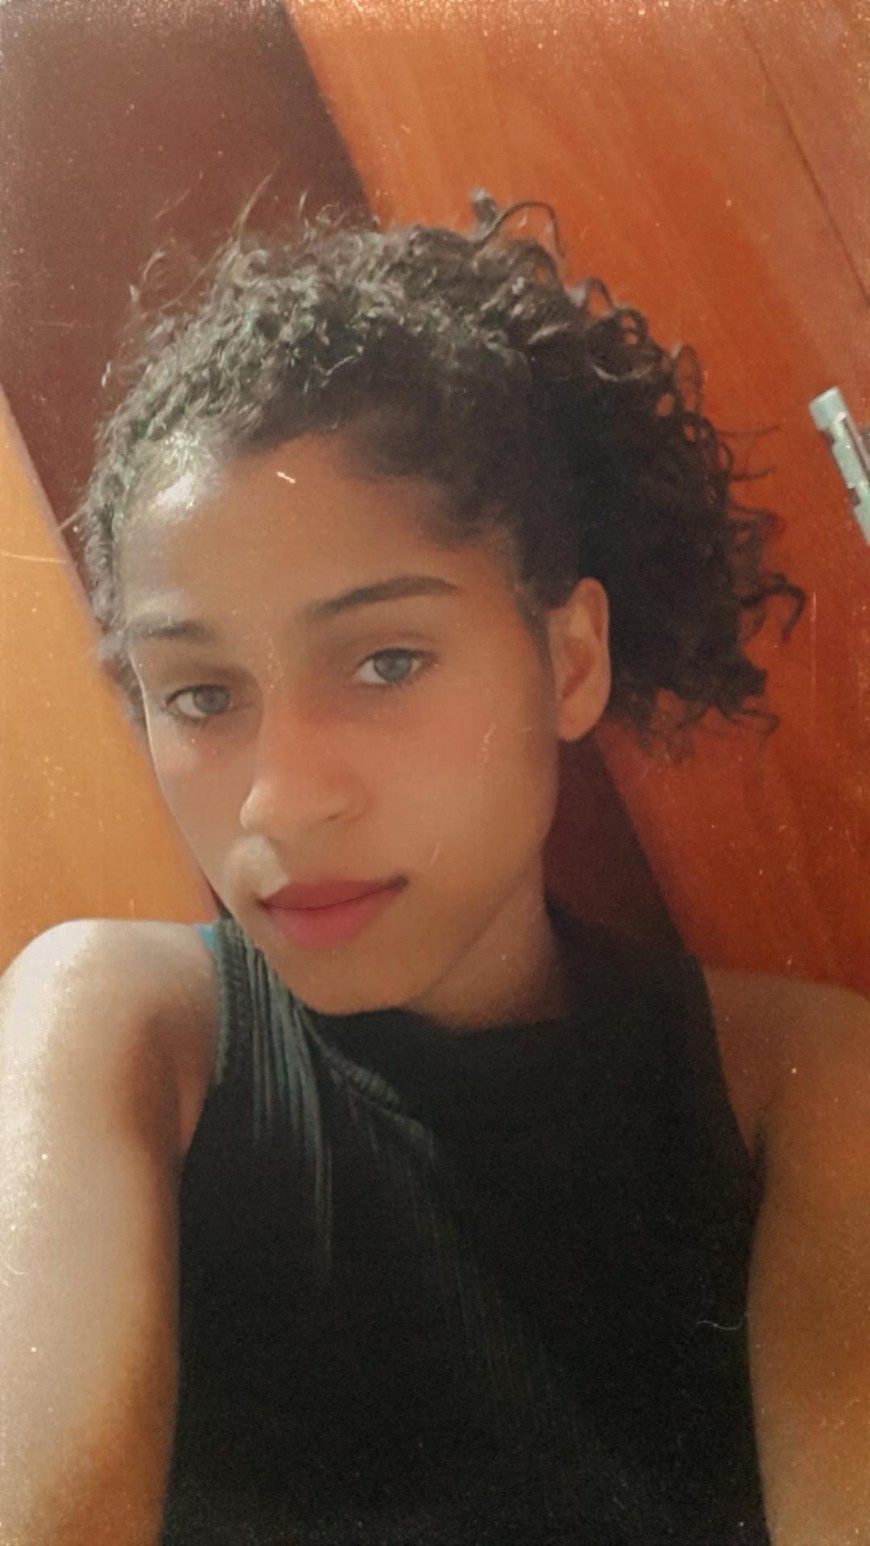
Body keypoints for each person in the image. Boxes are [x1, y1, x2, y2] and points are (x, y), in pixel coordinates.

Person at [1, 196, 868, 1546]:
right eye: (201, 694)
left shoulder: (799, 1091)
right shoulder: (120, 1026)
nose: (279, 798)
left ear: (567, 662)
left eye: (385, 660)